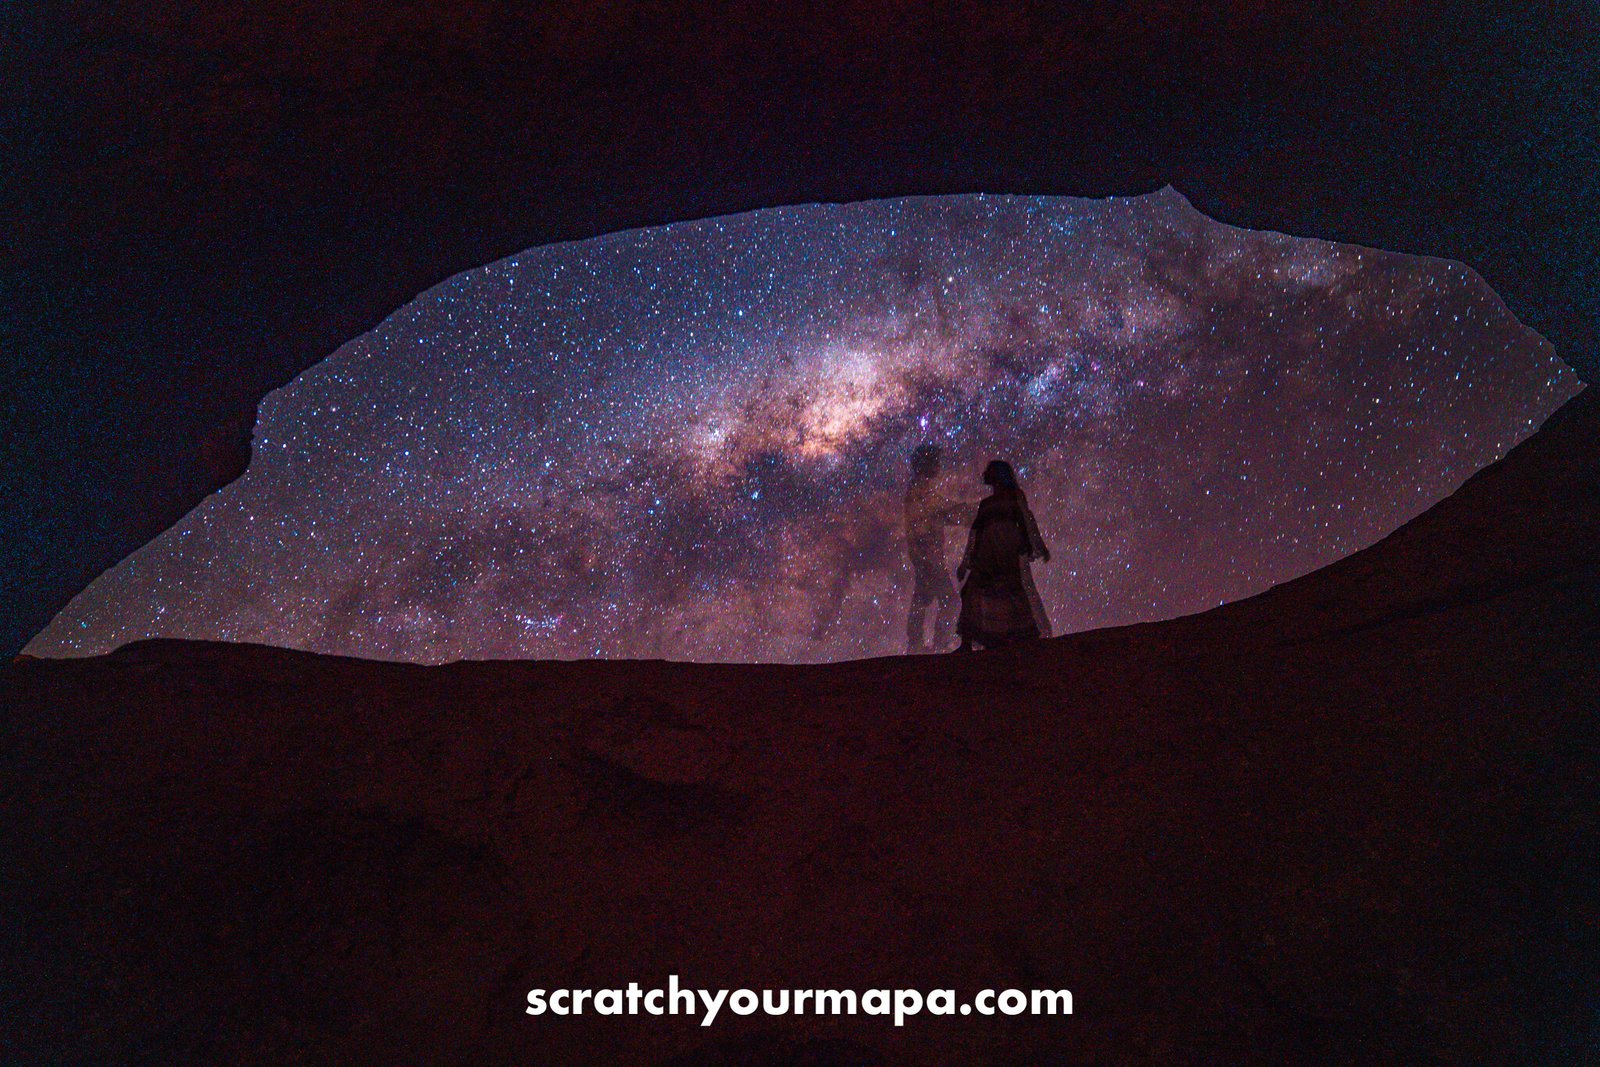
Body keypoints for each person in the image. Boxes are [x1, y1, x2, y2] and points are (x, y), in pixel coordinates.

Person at [955, 459, 1052, 651]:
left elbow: (1026, 520)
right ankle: (968, 643)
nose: (984, 474)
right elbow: (976, 534)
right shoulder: (986, 504)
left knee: (1011, 592)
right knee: (972, 591)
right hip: (988, 554)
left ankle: (1020, 637)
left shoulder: (1015, 496)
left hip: (1007, 551)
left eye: (989, 471)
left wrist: (1038, 546)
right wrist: (966, 563)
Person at [903, 444, 969, 653]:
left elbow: (944, 512)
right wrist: (979, 510)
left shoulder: (919, 492)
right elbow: (947, 511)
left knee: (921, 600)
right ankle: (939, 643)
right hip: (929, 558)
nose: (939, 465)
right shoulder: (921, 493)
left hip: (925, 558)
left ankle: (916, 645)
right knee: (949, 600)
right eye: (935, 461)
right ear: (927, 464)